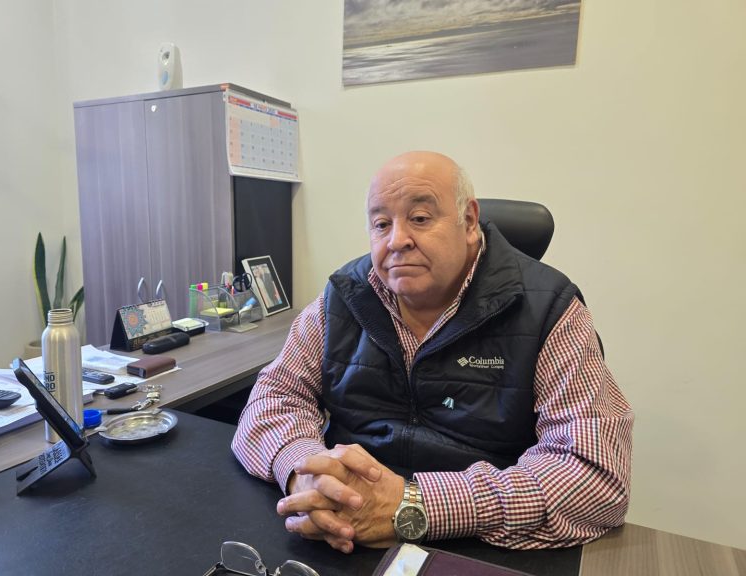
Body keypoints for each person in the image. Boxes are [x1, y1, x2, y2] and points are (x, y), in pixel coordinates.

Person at [232, 151, 633, 554]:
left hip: (481, 541)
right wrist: (307, 473)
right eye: (381, 224)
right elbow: (271, 399)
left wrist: (417, 506)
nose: (397, 240)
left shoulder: (548, 309)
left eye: (420, 218)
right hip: (341, 533)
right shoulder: (345, 296)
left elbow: (595, 475)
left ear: (469, 221)